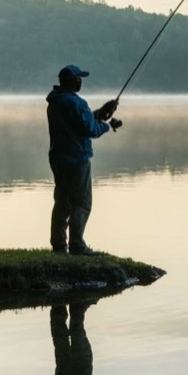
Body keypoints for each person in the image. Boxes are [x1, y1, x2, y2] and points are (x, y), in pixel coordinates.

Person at [46, 65, 121, 255]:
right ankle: (78, 245)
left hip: (58, 158)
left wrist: (102, 111)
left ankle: (59, 245)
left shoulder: (55, 102)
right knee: (82, 203)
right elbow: (90, 130)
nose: (81, 81)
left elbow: (80, 121)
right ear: (70, 81)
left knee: (63, 201)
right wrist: (107, 125)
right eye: (78, 78)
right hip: (77, 159)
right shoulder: (76, 103)